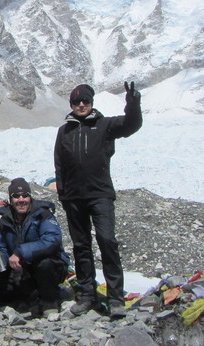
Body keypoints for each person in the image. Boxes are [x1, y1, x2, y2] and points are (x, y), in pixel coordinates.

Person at [54, 82, 142, 319]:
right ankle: (86, 295)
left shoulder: (105, 125)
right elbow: (59, 164)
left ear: (91, 102)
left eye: (85, 101)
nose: (81, 105)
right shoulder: (65, 131)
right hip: (73, 198)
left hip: (100, 194)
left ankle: (115, 298)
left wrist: (133, 104)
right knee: (81, 246)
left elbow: (132, 124)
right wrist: (63, 194)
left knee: (107, 241)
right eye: (76, 102)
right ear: (71, 105)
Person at [0, 178, 69, 316]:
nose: (21, 199)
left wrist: (20, 253)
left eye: (25, 195)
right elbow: (0, 246)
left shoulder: (43, 214)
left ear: (30, 196)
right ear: (11, 199)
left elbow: (52, 241)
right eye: (16, 196)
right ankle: (24, 299)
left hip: (44, 266)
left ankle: (49, 301)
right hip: (21, 268)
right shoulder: (4, 218)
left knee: (45, 264)